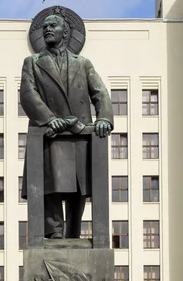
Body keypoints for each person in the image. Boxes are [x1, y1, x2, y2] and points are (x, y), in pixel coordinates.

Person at [20, 13, 114, 239]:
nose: (47, 29)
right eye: (44, 27)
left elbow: (100, 92)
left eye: (52, 25)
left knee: (78, 190)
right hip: (51, 134)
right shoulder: (32, 62)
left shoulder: (82, 63)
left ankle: (73, 235)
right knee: (51, 186)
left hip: (79, 135)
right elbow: (28, 93)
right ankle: (54, 235)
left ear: (65, 31)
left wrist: (104, 118)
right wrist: (50, 118)